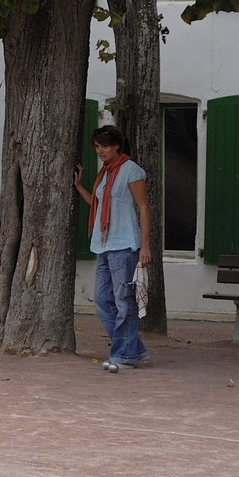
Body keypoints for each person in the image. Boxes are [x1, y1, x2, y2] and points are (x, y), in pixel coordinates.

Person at [75, 124, 151, 367]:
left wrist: (145, 246)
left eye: (105, 146)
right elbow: (98, 205)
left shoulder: (132, 171)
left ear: (117, 145)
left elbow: (143, 208)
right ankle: (132, 348)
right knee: (101, 300)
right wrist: (79, 187)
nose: (100, 150)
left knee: (123, 301)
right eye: (97, 146)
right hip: (103, 245)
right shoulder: (105, 173)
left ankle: (125, 354)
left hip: (125, 244)